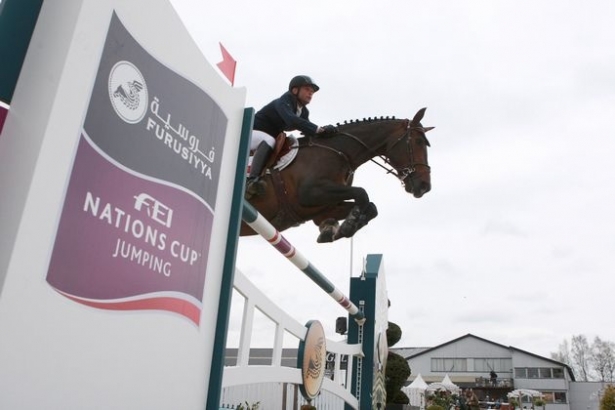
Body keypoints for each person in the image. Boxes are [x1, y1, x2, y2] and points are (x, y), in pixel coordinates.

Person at [246, 75, 338, 198]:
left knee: (274, 141)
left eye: (312, 92)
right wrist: (318, 129)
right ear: (295, 90)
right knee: (269, 140)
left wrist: (325, 131)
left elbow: (308, 129)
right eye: (307, 89)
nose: (310, 94)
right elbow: (292, 121)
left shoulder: (303, 111)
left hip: (265, 138)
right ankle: (253, 180)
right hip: (250, 133)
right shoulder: (284, 101)